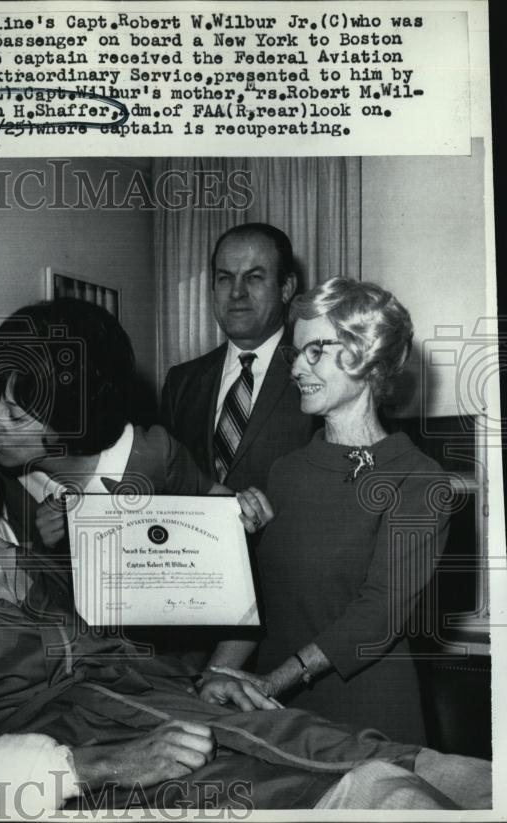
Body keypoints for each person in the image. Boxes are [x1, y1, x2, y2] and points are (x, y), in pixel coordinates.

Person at [0, 389, 490, 812]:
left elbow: (119, 645)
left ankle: (431, 774)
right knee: (318, 791)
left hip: (169, 701)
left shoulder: (33, 564)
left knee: (344, 747)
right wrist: (98, 765)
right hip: (102, 748)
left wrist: (205, 676)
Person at [204, 278, 449, 745]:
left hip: (364, 716)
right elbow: (259, 601)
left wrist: (269, 683)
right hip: (274, 711)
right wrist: (214, 677)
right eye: (294, 353)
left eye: (315, 350)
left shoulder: (419, 480)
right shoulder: (285, 471)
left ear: (366, 354)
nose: (297, 368)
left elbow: (377, 618)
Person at [0, 297, 272, 559]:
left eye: (14, 415)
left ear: (69, 421)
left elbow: (213, 497)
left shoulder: (153, 452)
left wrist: (245, 511)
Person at [160, 223, 317, 493]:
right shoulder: (181, 383)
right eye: (224, 278)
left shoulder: (318, 374)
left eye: (254, 277)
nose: (236, 292)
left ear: (287, 287)